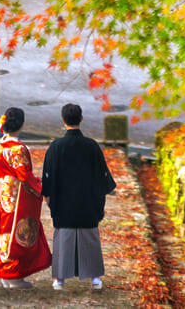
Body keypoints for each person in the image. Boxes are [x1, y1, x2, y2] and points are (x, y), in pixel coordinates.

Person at [41, 103, 116, 291]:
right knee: (89, 237)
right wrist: (98, 199)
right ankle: (95, 278)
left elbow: (47, 176)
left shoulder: (56, 147)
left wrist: (49, 198)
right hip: (87, 203)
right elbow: (103, 177)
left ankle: (59, 279)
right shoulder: (91, 146)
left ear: (63, 120)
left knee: (63, 238)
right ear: (81, 119)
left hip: (63, 204)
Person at [0, 107, 52, 289]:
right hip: (19, 195)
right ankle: (13, 275)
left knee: (6, 228)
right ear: (21, 125)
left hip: (5, 193)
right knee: (20, 230)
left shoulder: (0, 150)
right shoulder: (18, 149)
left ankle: (6, 273)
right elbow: (25, 175)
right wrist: (41, 189)